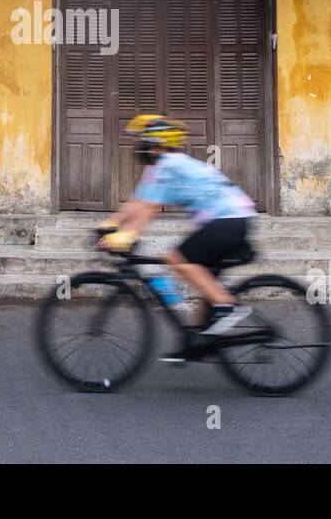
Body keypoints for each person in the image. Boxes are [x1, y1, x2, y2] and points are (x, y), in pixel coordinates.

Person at [100, 114, 257, 363]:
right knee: (204, 281)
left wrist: (125, 236)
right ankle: (197, 343)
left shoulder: (169, 164)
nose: (139, 146)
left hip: (228, 220)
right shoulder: (158, 168)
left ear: (157, 143)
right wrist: (110, 224)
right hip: (228, 220)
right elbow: (137, 203)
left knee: (178, 259)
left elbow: (149, 209)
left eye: (144, 140)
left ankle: (228, 306)